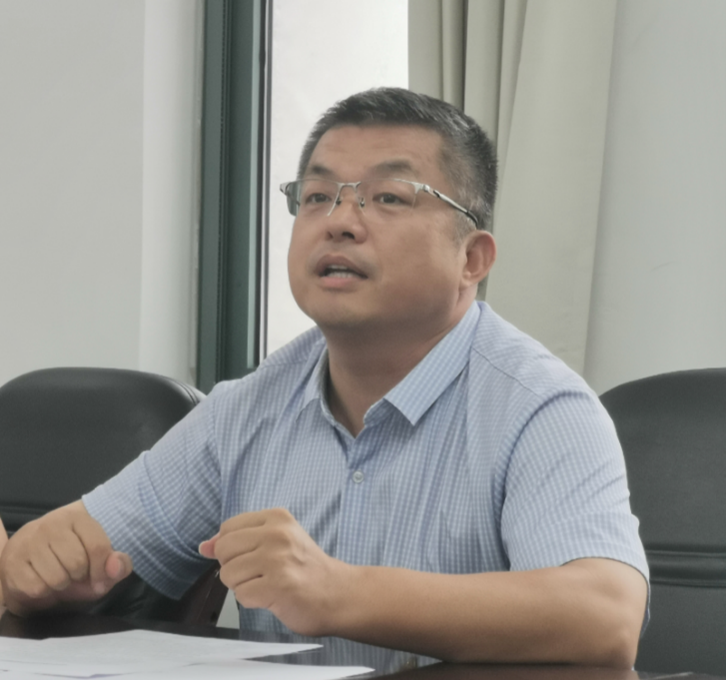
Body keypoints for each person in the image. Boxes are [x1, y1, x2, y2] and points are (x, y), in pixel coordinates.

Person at [0, 88, 648, 667]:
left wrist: (341, 592)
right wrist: (35, 575)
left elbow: (605, 616)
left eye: (388, 197)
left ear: (472, 258)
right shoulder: (248, 406)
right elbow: (79, 549)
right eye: (316, 197)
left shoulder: (539, 406)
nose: (339, 220)